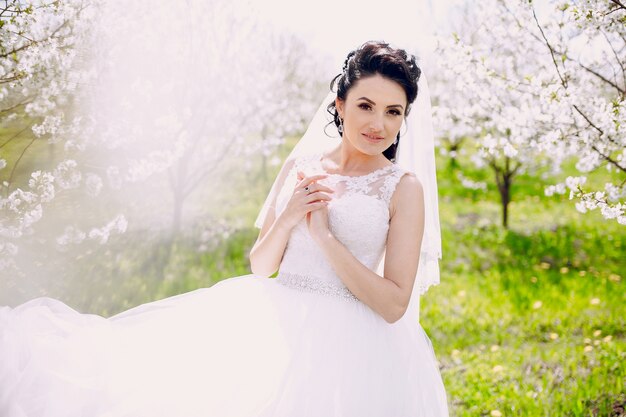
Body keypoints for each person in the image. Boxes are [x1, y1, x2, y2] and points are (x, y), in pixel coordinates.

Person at [0, 40, 449, 417]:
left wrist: (326, 239)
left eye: (394, 112)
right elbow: (261, 264)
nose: (378, 124)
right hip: (273, 320)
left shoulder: (402, 187)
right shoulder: (302, 165)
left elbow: (393, 304)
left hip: (353, 344)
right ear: (340, 105)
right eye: (366, 106)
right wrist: (291, 214)